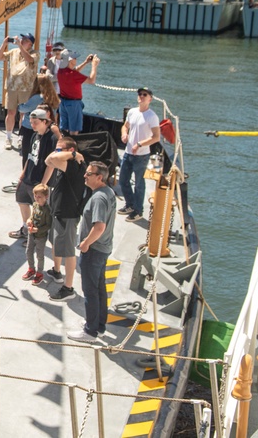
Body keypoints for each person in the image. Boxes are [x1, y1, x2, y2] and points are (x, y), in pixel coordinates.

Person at [67, 161, 117, 343]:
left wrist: (86, 243)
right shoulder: (109, 192)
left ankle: (90, 331)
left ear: (99, 177)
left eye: (89, 174)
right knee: (99, 288)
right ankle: (99, 325)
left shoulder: (98, 198)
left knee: (90, 291)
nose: (84, 176)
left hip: (94, 250)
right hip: (104, 249)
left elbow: (100, 226)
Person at [44, 136, 86, 302]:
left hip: (68, 214)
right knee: (55, 242)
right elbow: (49, 160)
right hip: (58, 211)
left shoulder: (75, 166)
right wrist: (62, 153)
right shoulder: (66, 163)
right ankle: (56, 271)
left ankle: (68, 288)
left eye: (60, 149)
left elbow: (52, 158)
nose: (56, 151)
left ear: (70, 151)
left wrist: (74, 155)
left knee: (69, 252)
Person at [10, 108, 56, 239]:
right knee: (22, 201)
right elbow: (30, 156)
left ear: (44, 121)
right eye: (31, 122)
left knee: (39, 210)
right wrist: (23, 174)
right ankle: (26, 229)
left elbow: (51, 165)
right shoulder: (34, 135)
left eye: (35, 122)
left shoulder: (51, 139)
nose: (32, 125)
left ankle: (36, 236)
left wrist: (43, 184)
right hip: (28, 177)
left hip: (39, 180)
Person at [118, 87, 160, 222]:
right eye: (140, 94)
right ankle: (130, 204)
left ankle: (138, 210)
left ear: (150, 99)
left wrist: (140, 144)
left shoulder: (152, 116)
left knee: (139, 184)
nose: (141, 96)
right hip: (128, 152)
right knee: (123, 180)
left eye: (144, 94)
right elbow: (125, 126)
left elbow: (156, 137)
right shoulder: (132, 112)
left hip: (141, 155)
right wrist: (124, 134)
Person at [0, 33, 39, 151]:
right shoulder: (14, 52)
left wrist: (20, 46)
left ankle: (21, 136)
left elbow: (29, 60)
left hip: (26, 88)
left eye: (25, 40)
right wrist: (4, 44)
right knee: (11, 112)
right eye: (22, 39)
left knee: (23, 114)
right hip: (12, 87)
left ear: (30, 43)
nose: (22, 41)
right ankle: (8, 137)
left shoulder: (35, 53)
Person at [18, 75, 61, 169]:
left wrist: (20, 102)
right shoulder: (53, 97)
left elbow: (23, 109)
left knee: (27, 154)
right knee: (42, 154)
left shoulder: (37, 98)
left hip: (30, 129)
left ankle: (26, 176)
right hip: (46, 129)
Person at [56, 49, 100, 136]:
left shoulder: (60, 71)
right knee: (74, 130)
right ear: (70, 60)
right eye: (74, 58)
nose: (76, 60)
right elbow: (91, 80)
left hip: (63, 103)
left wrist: (85, 62)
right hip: (74, 104)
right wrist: (94, 66)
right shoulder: (73, 75)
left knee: (64, 129)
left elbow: (74, 70)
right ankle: (72, 146)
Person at [22, 183, 52, 285]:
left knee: (40, 256)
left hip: (40, 237)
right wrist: (29, 220)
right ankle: (31, 269)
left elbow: (48, 225)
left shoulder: (47, 210)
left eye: (39, 197)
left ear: (46, 197)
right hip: (32, 234)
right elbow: (32, 216)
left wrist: (38, 230)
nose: (37, 198)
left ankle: (39, 273)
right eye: (35, 196)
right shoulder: (35, 205)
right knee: (28, 251)